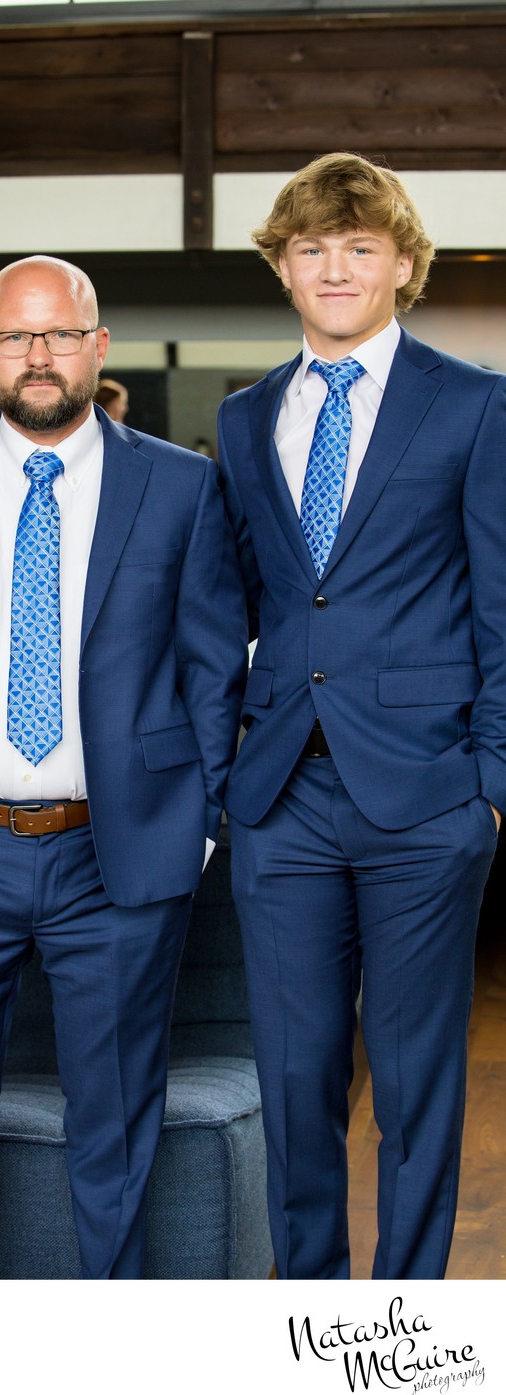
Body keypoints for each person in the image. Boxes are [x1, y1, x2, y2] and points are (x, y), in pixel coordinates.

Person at [0, 254, 247, 1279]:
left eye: (59, 333)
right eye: (16, 335)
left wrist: (196, 821)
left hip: (117, 863)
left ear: (96, 345)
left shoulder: (183, 487)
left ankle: (106, 1378)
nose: (38, 355)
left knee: (113, 1137)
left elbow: (212, 674)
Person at [217, 151, 504, 1279]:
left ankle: (405, 1322)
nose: (333, 267)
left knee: (416, 1076)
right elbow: (220, 611)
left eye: (358, 247)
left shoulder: (475, 405)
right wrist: (213, 776)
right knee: (291, 1081)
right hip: (280, 793)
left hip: (427, 796)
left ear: (401, 265)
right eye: (310, 248)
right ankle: (309, 1315)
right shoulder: (245, 421)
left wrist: (490, 785)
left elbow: (501, 599)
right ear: (284, 270)